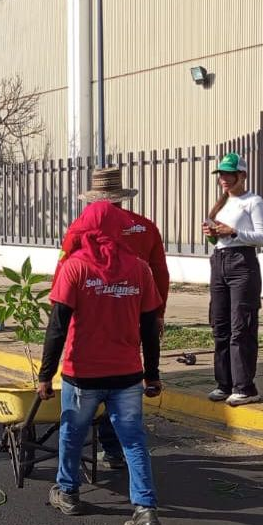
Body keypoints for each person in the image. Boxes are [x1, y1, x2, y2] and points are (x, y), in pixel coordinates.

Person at [37, 201, 164, 525]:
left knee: (72, 432)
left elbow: (57, 327)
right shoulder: (139, 269)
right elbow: (150, 327)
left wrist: (44, 375)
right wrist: (152, 375)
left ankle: (68, 491)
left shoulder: (75, 268)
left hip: (83, 374)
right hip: (126, 374)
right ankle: (145, 510)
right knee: (134, 441)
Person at [56, 167, 170, 471]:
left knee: (96, 376)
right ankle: (117, 449)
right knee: (124, 376)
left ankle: (77, 474)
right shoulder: (145, 227)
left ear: (93, 200)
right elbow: (160, 272)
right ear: (121, 198)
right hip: (136, 312)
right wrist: (158, 313)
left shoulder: (80, 228)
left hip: (92, 317)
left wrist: (61, 314)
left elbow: (64, 269)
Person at [202, 153, 263, 406]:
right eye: (220, 174)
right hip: (219, 261)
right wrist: (212, 233)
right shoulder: (220, 204)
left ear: (242, 175)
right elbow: (217, 240)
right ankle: (225, 383)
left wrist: (234, 231)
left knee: (241, 326)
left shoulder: (253, 202)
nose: (223, 179)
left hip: (242, 263)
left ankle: (245, 387)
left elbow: (262, 237)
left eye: (228, 174)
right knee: (220, 325)